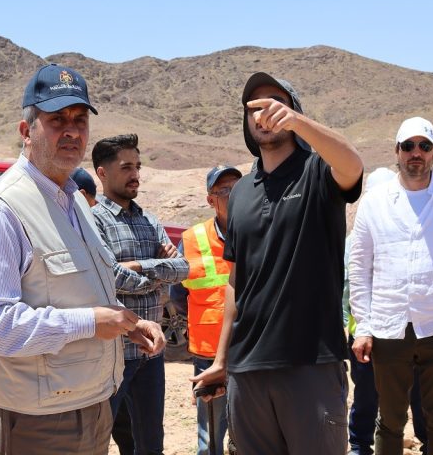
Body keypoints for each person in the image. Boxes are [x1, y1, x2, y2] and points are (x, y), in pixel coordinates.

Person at [0, 64, 165, 455]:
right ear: (27, 131)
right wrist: (90, 322)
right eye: (57, 120)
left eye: (80, 119)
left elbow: (82, 291)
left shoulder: (74, 201)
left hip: (92, 404)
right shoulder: (2, 210)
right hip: (37, 419)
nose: (71, 131)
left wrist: (127, 323)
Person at [193, 72, 364, 454]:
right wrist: (222, 360)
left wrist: (299, 122)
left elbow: (352, 165)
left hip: (310, 364)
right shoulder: (240, 193)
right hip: (247, 370)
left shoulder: (318, 172)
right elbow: (236, 281)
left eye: (275, 102)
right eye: (253, 107)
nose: (264, 113)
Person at [348, 116, 433, 454]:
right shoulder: (375, 201)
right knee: (390, 419)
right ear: (396, 151)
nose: (416, 153)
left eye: (424, 146)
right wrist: (364, 325)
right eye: (408, 146)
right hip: (388, 329)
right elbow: (360, 267)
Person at [91, 133, 190, 455]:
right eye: (126, 167)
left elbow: (182, 269)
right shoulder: (93, 222)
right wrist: (158, 271)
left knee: (150, 444)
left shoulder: (149, 220)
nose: (135, 174)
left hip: (151, 354)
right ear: (102, 173)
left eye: (137, 166)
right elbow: (108, 278)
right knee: (97, 440)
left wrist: (136, 266)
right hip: (112, 355)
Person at [343, 167, 428, 455]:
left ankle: (425, 442)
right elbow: (346, 289)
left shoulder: (409, 236)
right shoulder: (352, 243)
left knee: (414, 393)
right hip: (366, 335)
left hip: (402, 331)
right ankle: (361, 445)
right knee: (369, 395)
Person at [171, 164, 243, 455]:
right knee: (210, 434)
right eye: (225, 191)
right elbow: (178, 295)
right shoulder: (192, 239)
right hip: (208, 351)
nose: (233, 195)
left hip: (251, 347)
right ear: (210, 200)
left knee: (250, 431)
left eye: (238, 188)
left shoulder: (261, 232)